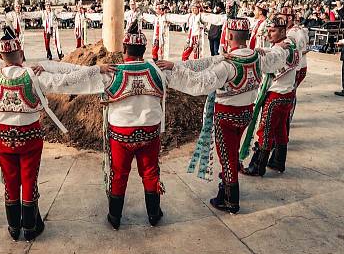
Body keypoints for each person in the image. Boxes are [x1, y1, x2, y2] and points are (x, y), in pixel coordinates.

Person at [41, 22, 221, 230]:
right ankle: (154, 214)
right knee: (151, 172)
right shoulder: (159, 70)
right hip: (150, 132)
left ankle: (115, 217)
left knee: (119, 174)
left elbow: (72, 76)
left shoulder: (110, 72)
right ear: (143, 50)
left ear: (125, 50)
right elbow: (196, 73)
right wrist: (218, 59)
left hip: (121, 134)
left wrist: (46, 67)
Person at [0, 28, 106, 241]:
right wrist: (96, 69)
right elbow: (67, 80)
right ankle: (31, 227)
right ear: (21, 53)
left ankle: (14, 228)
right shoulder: (34, 76)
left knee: (11, 181)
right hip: (30, 138)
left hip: (4, 139)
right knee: (29, 179)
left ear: (0, 56)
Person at [183, 18, 288, 212]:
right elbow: (278, 57)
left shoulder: (227, 65)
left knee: (227, 157)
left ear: (229, 36)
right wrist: (282, 46)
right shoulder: (258, 58)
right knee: (231, 153)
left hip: (226, 117)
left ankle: (231, 200)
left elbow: (200, 82)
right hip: (246, 113)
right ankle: (225, 190)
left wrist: (173, 69)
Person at [241, 16, 301, 176]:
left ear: (282, 31)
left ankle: (257, 167)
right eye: (268, 30)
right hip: (287, 95)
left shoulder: (280, 49)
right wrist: (265, 51)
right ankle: (277, 162)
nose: (269, 34)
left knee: (265, 131)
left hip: (276, 96)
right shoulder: (290, 44)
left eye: (273, 31)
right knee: (280, 130)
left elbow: (269, 63)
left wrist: (256, 55)